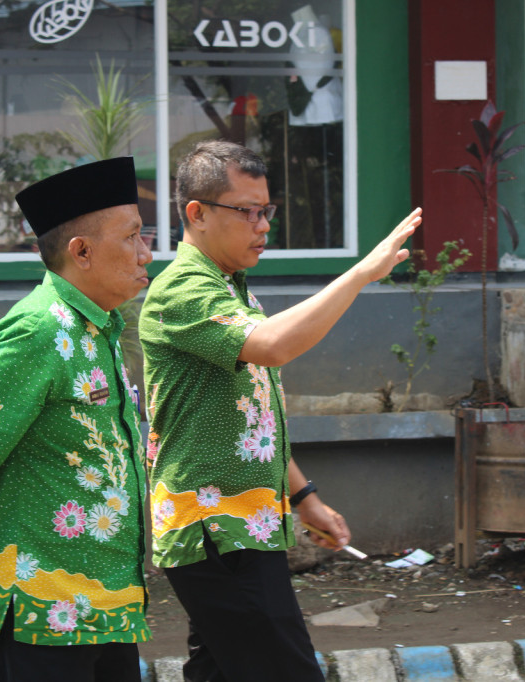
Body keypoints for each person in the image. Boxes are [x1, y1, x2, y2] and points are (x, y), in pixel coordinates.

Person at [139, 140, 421, 681]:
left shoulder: (229, 289)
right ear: (196, 214)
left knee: (221, 671)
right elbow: (274, 345)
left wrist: (303, 496)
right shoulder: (181, 290)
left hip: (241, 525)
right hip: (217, 529)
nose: (262, 225)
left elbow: (254, 417)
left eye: (266, 210)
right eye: (247, 211)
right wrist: (360, 273)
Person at [0, 157, 153, 682]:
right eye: (133, 236)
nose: (146, 252)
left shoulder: (97, 328)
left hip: (105, 608)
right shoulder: (40, 331)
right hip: (37, 618)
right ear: (81, 251)